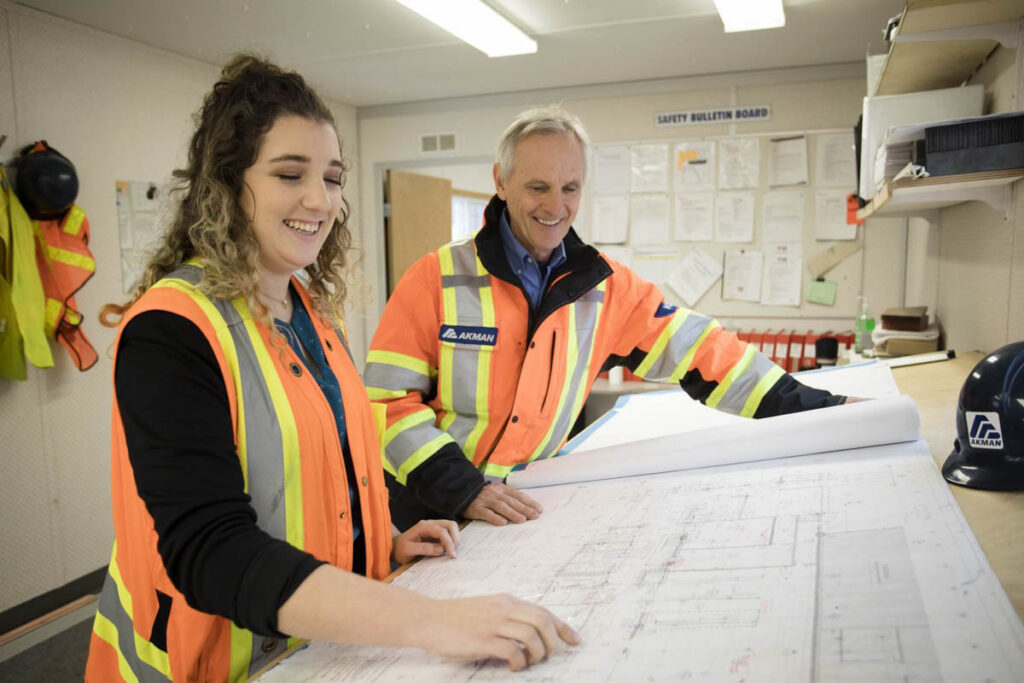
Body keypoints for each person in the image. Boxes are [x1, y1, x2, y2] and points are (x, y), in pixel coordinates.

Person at [85, 57, 578, 682]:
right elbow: (211, 550)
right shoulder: (171, 330)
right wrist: (429, 620)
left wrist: (380, 545)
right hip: (209, 664)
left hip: (320, 650)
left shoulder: (310, 313)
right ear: (229, 184)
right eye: (290, 174)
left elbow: (319, 476)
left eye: (333, 177)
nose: (319, 201)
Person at [366, 106, 851, 531]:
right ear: (500, 181)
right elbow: (385, 402)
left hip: (521, 511)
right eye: (537, 187)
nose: (556, 207)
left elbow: (704, 351)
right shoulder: (435, 277)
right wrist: (463, 489)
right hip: (426, 513)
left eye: (570, 188)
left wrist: (819, 407)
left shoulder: (605, 287)